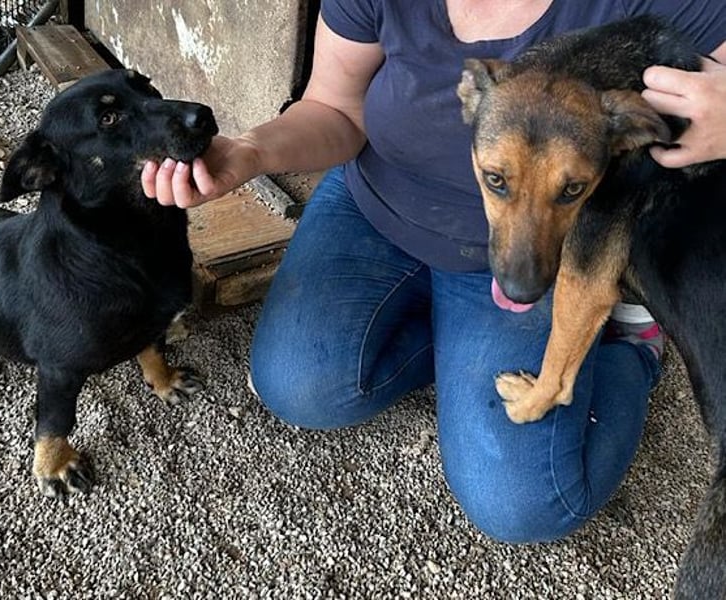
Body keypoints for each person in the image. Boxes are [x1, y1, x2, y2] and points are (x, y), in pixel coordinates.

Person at [142, 1, 726, 543]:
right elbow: (334, 107)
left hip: (509, 271)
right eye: (496, 178)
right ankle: (456, 345)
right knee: (298, 386)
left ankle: (631, 345)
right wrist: (251, 151)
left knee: (523, 504)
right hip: (376, 207)